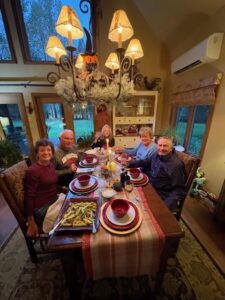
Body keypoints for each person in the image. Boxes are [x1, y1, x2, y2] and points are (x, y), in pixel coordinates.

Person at [129, 136, 187, 211]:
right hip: (149, 186)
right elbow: (146, 162)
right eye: (160, 145)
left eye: (165, 146)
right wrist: (130, 164)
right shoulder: (157, 154)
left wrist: (164, 206)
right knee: (130, 194)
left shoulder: (175, 165)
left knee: (139, 209)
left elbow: (179, 190)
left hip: (161, 195)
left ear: (171, 148)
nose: (161, 148)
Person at [25, 139, 59, 237]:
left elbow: (52, 185)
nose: (46, 152)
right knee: (70, 214)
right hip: (42, 209)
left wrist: (65, 189)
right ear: (37, 154)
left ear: (52, 153)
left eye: (48, 150)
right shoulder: (33, 171)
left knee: (74, 203)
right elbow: (29, 197)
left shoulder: (51, 165)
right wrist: (31, 221)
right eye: (42, 150)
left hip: (54, 200)